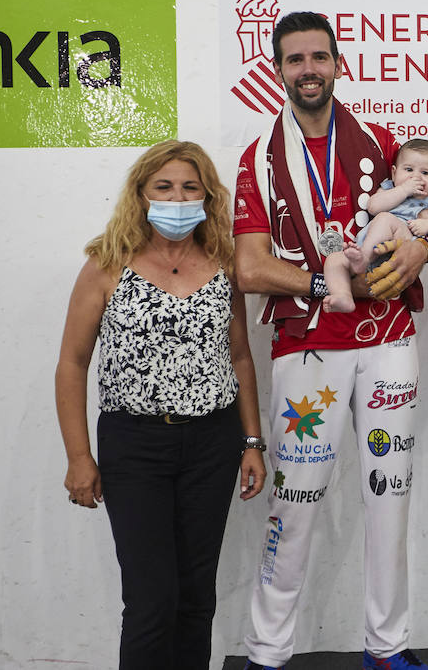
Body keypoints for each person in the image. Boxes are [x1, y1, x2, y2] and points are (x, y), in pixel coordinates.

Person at [235, 11, 428, 670]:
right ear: (278, 70)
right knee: (294, 502)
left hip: (388, 337)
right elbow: (248, 267)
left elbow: (426, 227)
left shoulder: (382, 143)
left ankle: (388, 646)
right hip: (309, 344)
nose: (308, 70)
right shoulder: (260, 160)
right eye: (294, 60)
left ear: (339, 63)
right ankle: (267, 652)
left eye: (319, 57)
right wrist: (322, 284)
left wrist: (418, 252)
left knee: (391, 493)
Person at [54, 140, 268, 670]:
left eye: (190, 187)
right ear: (141, 194)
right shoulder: (106, 265)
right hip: (135, 445)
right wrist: (79, 458)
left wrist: (252, 442)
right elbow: (72, 364)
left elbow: (240, 358)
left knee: (196, 600)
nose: (178, 198)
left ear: (207, 196)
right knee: (151, 602)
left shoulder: (223, 266)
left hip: (212, 444)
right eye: (164, 187)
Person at [324, 138, 428, 313]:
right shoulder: (388, 189)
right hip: (365, 252)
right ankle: (343, 296)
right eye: (408, 169)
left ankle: (363, 258)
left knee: (386, 218)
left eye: (425, 173)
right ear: (394, 173)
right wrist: (403, 190)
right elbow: (373, 206)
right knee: (334, 259)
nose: (415, 177)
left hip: (399, 249)